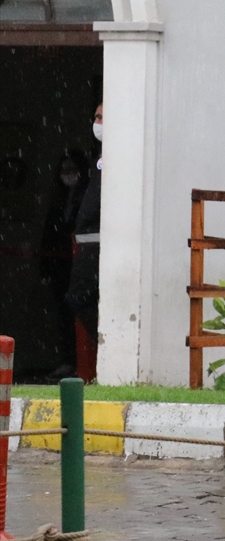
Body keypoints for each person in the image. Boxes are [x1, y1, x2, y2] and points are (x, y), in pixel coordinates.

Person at [41, 150, 91, 378]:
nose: (68, 175)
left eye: (72, 170)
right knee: (62, 314)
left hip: (78, 262)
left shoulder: (86, 198)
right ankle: (67, 359)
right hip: (59, 266)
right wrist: (45, 268)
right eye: (64, 171)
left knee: (78, 307)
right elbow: (48, 236)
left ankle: (81, 362)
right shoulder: (58, 201)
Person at [64, 103, 103, 383]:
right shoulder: (99, 158)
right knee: (80, 297)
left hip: (97, 243)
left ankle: (105, 338)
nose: (97, 122)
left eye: (102, 117)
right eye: (95, 117)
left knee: (79, 296)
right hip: (87, 241)